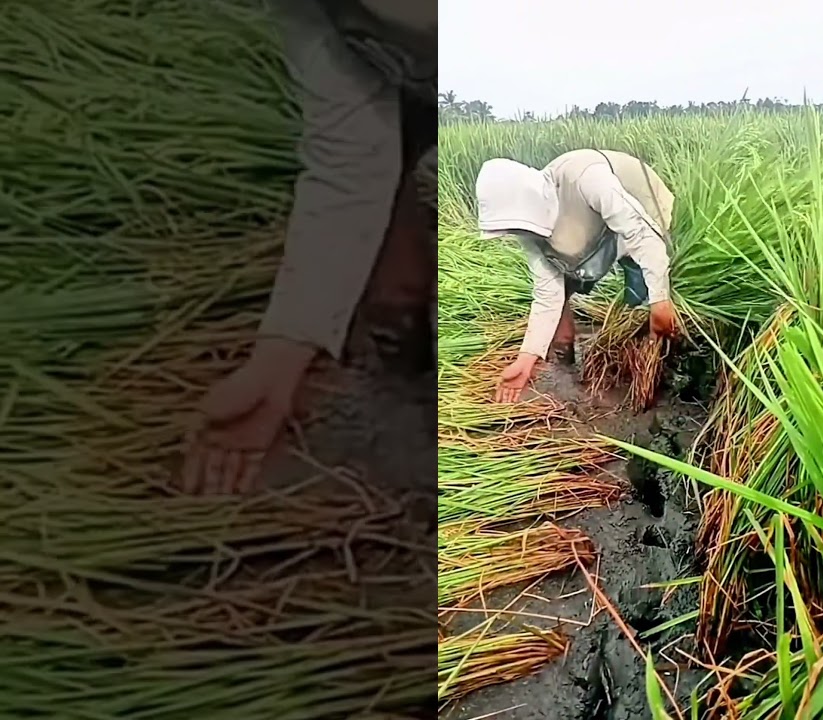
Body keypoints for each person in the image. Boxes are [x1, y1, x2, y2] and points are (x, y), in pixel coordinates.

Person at [179, 0, 434, 495]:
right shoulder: (310, 11)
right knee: (390, 287)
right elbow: (348, 163)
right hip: (404, 87)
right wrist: (277, 362)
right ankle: (409, 407)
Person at [474, 149, 681, 403]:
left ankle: (657, 370)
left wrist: (659, 300)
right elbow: (547, 293)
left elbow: (641, 235)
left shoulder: (586, 179)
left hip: (643, 211)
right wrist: (527, 358)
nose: (517, 233)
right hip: (591, 236)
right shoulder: (529, 230)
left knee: (641, 291)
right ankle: (566, 348)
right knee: (569, 281)